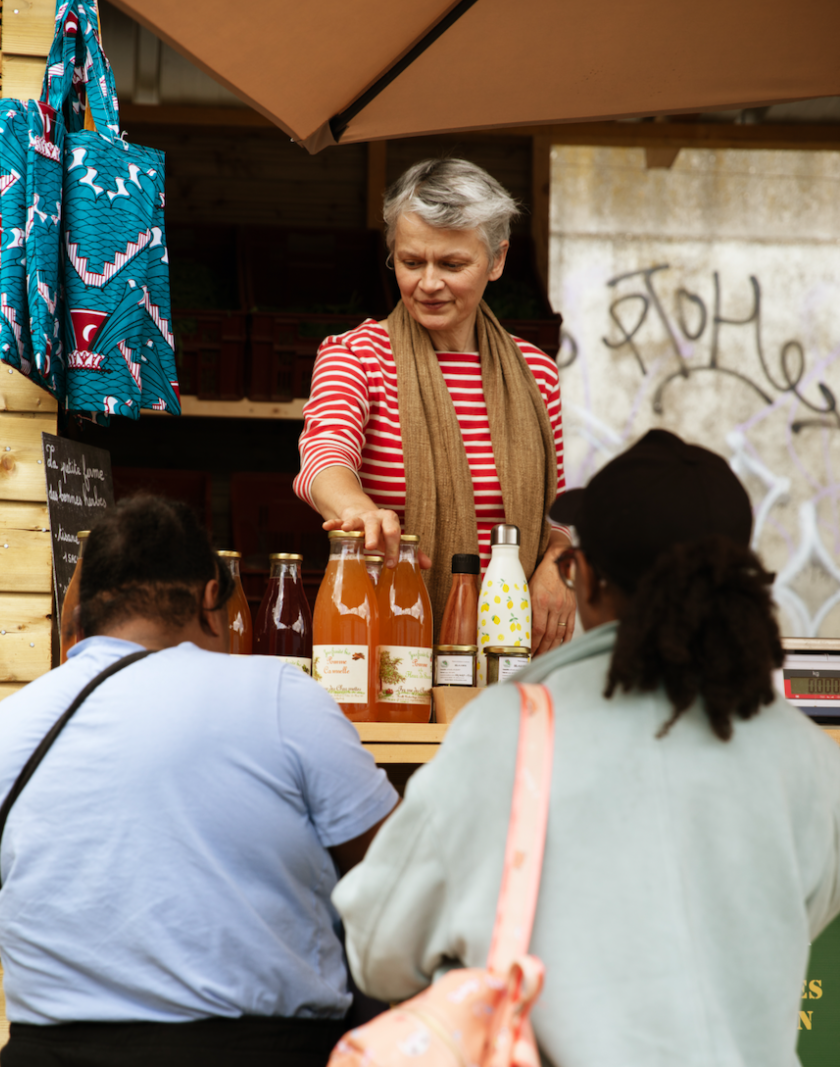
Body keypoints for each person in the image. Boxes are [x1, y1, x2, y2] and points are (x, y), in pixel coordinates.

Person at [333, 429, 840, 1066]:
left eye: (569, 567)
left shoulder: (506, 731)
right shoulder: (811, 756)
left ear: (589, 580)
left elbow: (379, 949)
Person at [0, 496, 398, 1067]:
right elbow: (395, 877)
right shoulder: (279, 696)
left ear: (81, 614)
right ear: (212, 600)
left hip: (47, 1054)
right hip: (254, 1052)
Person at [293, 158, 574, 652]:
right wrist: (360, 511)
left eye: (451, 264)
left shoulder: (536, 373)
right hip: (387, 634)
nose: (427, 283)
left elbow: (554, 516)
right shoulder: (357, 356)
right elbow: (323, 455)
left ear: (497, 260)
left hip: (508, 645)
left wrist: (557, 563)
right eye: (411, 261)